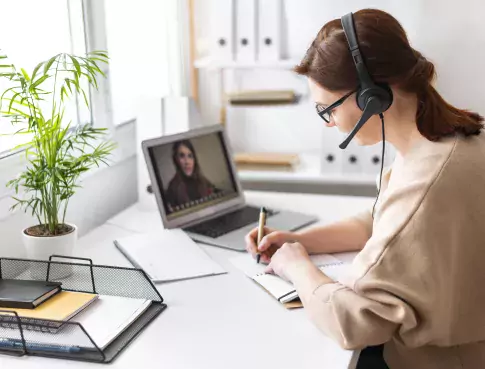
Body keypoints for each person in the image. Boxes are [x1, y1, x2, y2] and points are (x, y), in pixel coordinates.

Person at [245, 9, 485, 369]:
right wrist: (300, 242)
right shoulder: (448, 143)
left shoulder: (428, 181)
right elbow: (383, 222)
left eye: (327, 110)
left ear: (372, 97)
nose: (329, 123)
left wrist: (296, 268)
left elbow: (354, 322)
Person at [165, 139, 217, 210]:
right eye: (182, 156)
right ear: (176, 160)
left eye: (190, 156)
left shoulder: (203, 180)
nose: (187, 162)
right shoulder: (172, 188)